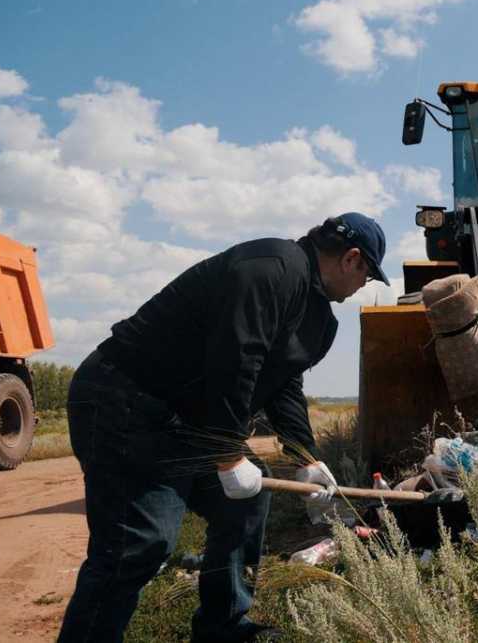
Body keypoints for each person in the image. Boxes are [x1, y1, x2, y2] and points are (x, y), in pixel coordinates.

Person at [56, 213, 389, 642]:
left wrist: (306, 457)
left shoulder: (317, 316)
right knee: (136, 545)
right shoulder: (271, 268)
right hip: (126, 398)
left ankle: (223, 626)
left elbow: (283, 380)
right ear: (352, 259)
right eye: (368, 275)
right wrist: (229, 455)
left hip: (185, 418)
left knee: (247, 502)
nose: (365, 285)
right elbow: (235, 360)